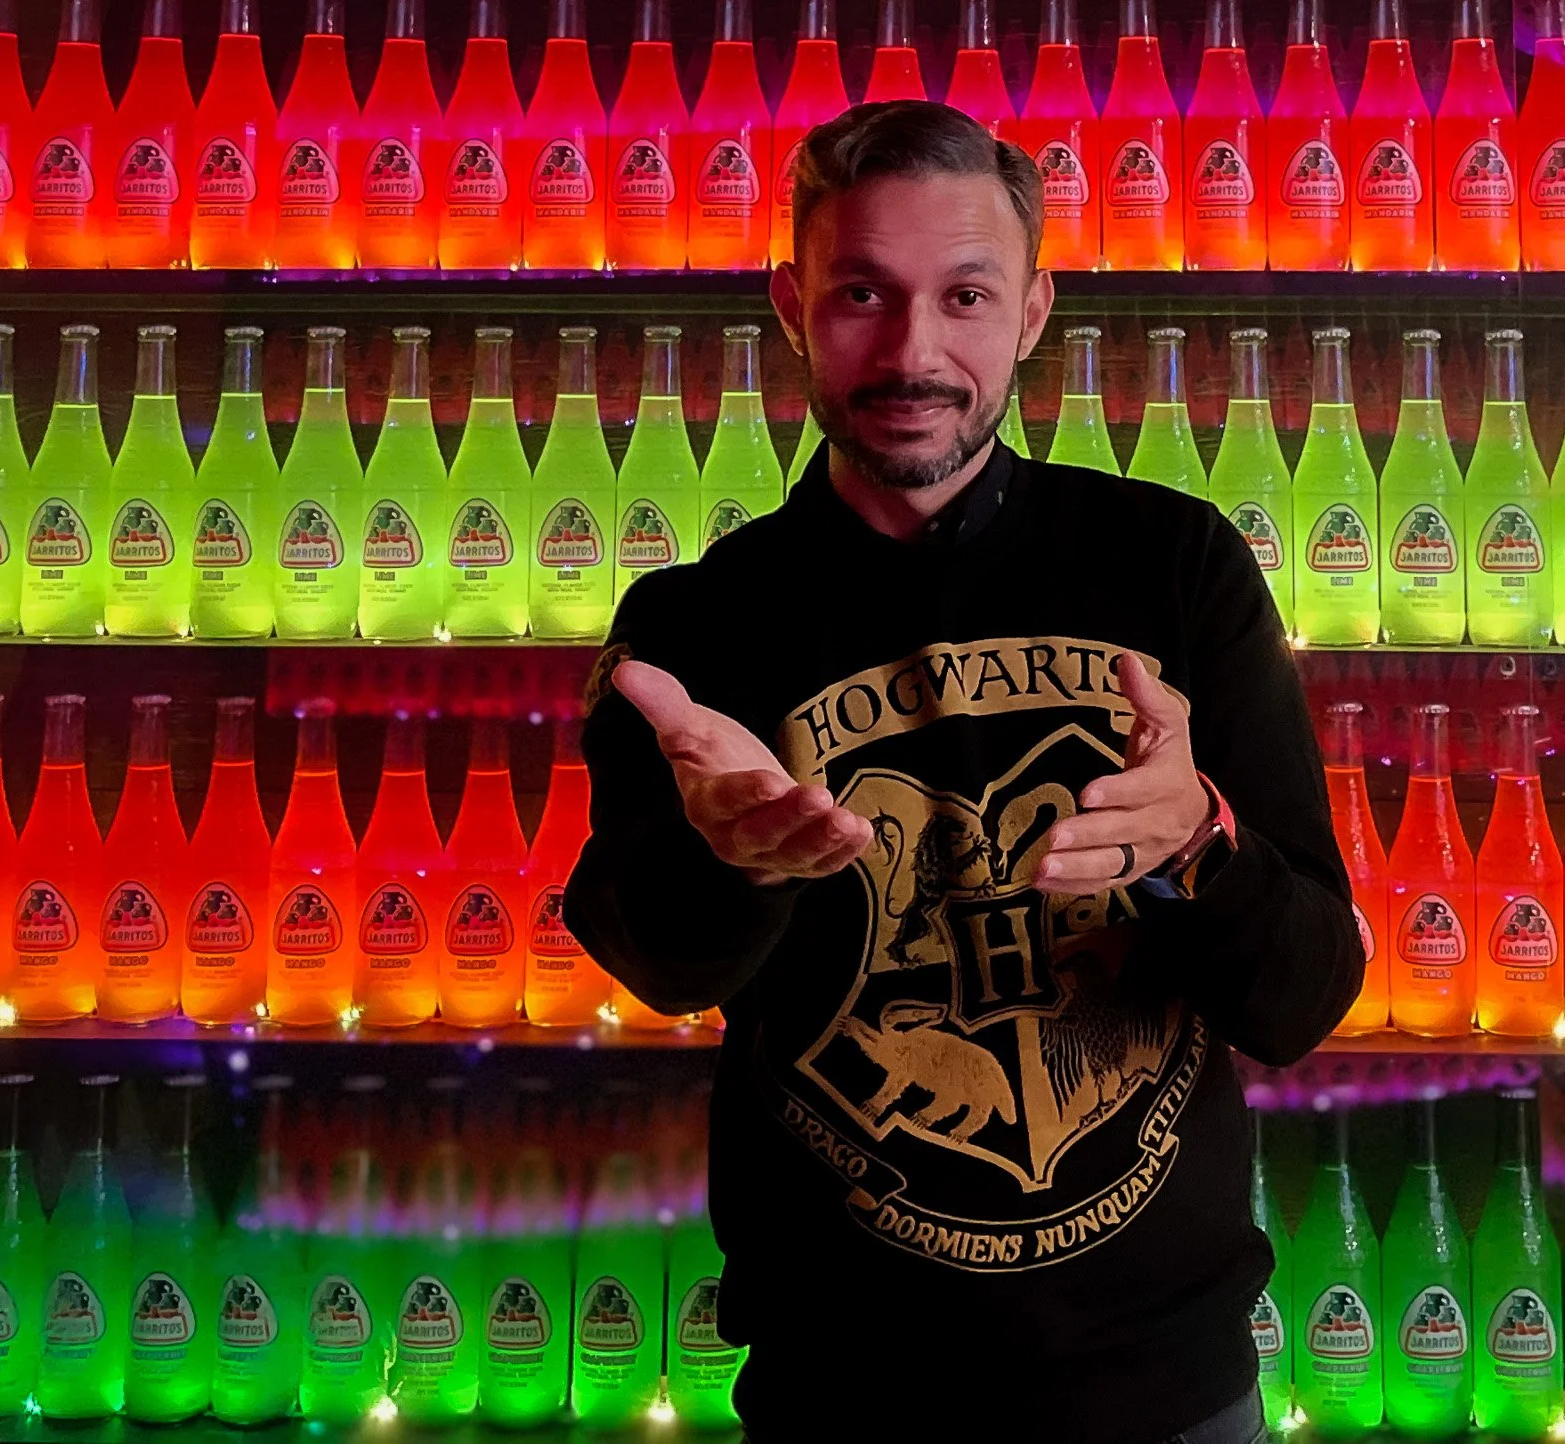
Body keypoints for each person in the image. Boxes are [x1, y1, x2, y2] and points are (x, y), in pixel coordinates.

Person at [569, 99, 1364, 1444]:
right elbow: (657, 961)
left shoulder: (1176, 568)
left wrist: (1200, 848)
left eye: (967, 295)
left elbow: (1305, 996)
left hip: (1168, 1388)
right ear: (790, 305)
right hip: (839, 1387)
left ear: (1037, 308)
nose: (914, 349)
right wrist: (732, 863)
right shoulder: (702, 620)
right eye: (863, 295)